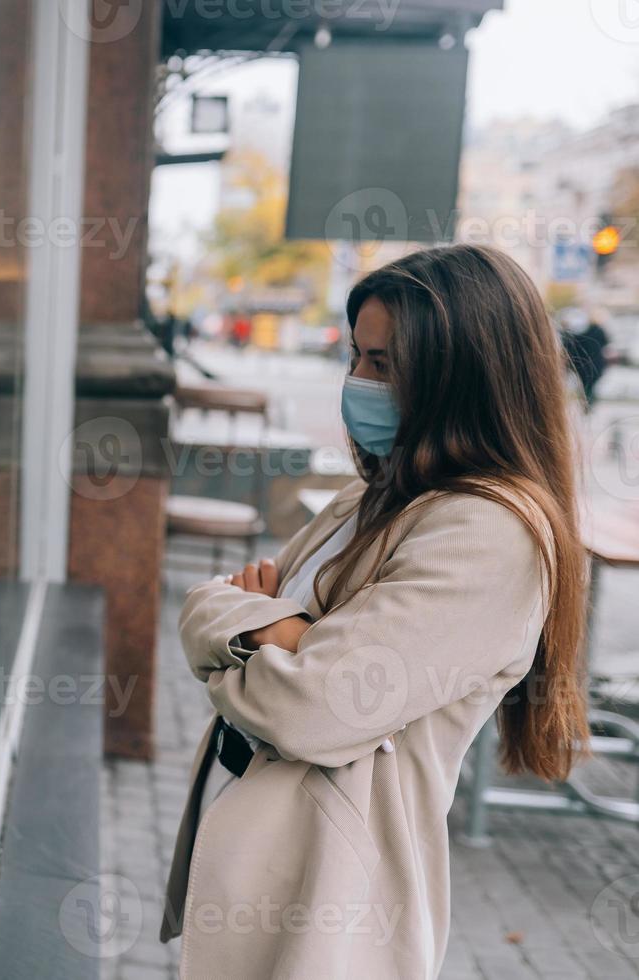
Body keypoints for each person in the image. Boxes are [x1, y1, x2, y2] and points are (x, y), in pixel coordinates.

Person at [161, 244, 589, 979]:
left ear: (461, 375)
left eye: (384, 364)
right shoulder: (374, 494)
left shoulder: (490, 533)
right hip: (259, 846)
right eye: (356, 357)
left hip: (331, 898)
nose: (358, 381)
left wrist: (256, 633)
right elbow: (208, 604)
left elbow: (315, 708)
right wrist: (273, 632)